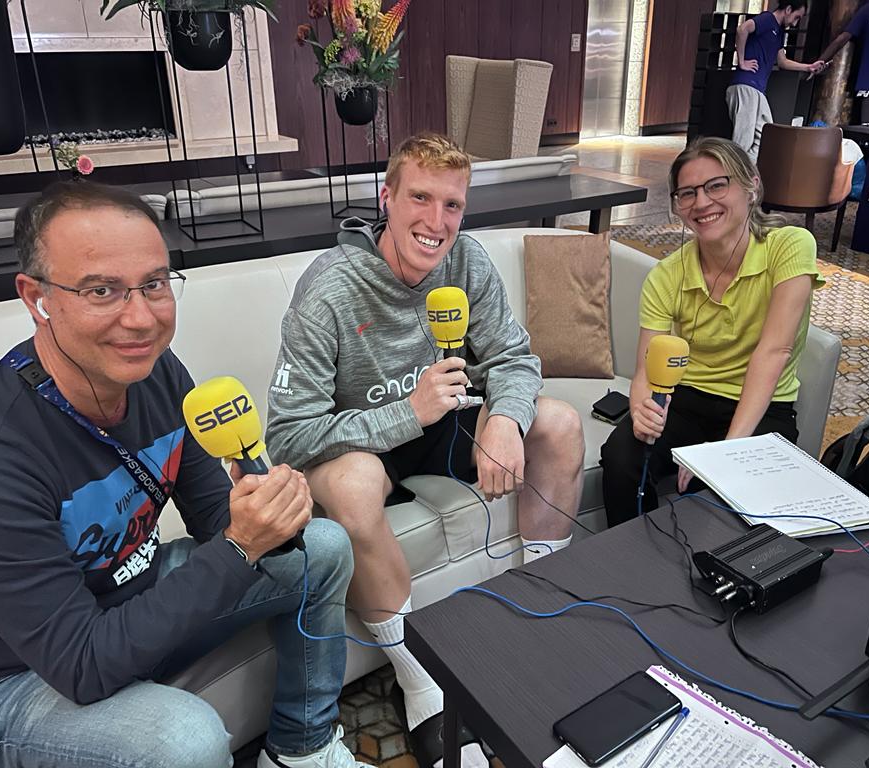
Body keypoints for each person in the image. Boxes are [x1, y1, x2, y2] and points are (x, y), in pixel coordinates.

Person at [0, 181, 365, 768]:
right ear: (36, 297)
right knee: (180, 740)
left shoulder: (159, 374)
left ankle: (303, 747)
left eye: (154, 283)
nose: (141, 318)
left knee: (319, 548)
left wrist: (264, 501)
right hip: (7, 678)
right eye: (102, 290)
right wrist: (243, 542)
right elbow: (83, 665)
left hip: (126, 597)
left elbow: (214, 516)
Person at [265, 133, 585, 768]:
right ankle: (420, 681)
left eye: (452, 205)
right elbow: (289, 434)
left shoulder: (467, 262)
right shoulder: (329, 287)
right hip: (365, 442)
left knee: (561, 424)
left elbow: (515, 359)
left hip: (446, 422)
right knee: (354, 485)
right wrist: (403, 414)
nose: (436, 223)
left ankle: (536, 616)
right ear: (386, 197)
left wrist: (507, 422)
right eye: (420, 198)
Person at [600, 137, 824, 526]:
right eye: (687, 193)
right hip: (686, 398)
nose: (701, 203)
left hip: (760, 406)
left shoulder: (789, 246)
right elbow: (647, 369)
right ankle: (636, 557)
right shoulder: (667, 274)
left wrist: (727, 453)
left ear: (751, 185)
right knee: (621, 456)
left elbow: (774, 351)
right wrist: (641, 409)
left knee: (720, 496)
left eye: (716, 186)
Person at [726, 0, 820, 162]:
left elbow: (782, 62)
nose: (795, 22)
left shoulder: (779, 31)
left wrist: (808, 67)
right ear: (788, 9)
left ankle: (742, 174)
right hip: (746, 85)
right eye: (796, 17)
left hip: (757, 89)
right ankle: (735, 178)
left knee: (765, 135)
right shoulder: (768, 19)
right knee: (743, 140)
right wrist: (741, 61)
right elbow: (743, 29)